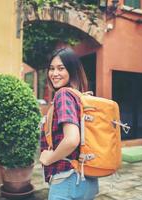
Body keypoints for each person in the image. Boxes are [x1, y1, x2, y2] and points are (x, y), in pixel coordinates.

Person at [39, 47, 99, 200]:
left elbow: (72, 139)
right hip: (87, 180)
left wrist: (48, 159)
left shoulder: (64, 94)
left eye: (61, 68)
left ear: (72, 70)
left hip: (67, 180)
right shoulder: (80, 96)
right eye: (51, 69)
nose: (54, 73)